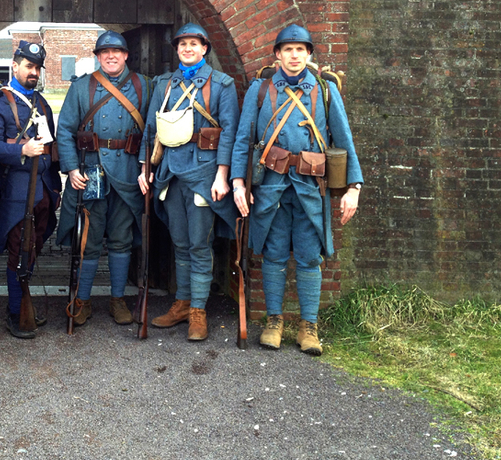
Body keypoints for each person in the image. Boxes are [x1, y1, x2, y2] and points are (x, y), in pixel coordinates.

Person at [230, 24, 363, 356]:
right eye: (288, 50)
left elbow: (344, 140)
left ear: (308, 55)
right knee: (273, 255)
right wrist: (237, 183)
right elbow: (243, 142)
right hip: (271, 187)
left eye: (300, 50)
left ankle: (308, 326)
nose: (294, 56)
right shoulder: (259, 91)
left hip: (309, 188)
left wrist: (354, 187)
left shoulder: (324, 90)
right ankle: (274, 321)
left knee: (308, 257)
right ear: (277, 54)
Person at [138, 23, 239, 341]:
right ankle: (182, 304)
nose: (188, 49)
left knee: (199, 244)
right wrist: (145, 168)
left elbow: (229, 134)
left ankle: (198, 310)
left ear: (205, 48)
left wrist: (223, 175)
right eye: (183, 45)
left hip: (204, 175)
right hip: (170, 172)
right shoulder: (165, 84)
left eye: (194, 44)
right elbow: (151, 128)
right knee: (180, 244)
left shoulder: (222, 84)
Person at [57, 31, 152, 328]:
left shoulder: (143, 86)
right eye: (105, 52)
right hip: (91, 170)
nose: (111, 56)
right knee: (89, 239)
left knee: (122, 239)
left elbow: (152, 128)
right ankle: (82, 300)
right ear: (98, 56)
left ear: (126, 55)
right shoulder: (82, 87)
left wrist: (145, 166)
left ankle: (117, 299)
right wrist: (72, 169)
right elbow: (65, 130)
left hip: (127, 173)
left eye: (117, 51)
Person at [0, 41, 62, 339]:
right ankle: (16, 311)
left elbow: (51, 148)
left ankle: (23, 299)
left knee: (34, 248)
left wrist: (55, 189)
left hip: (42, 189)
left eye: (37, 67)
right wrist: (22, 149)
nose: (34, 72)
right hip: (17, 191)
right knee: (18, 251)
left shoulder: (41, 102)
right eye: (28, 66)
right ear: (14, 66)